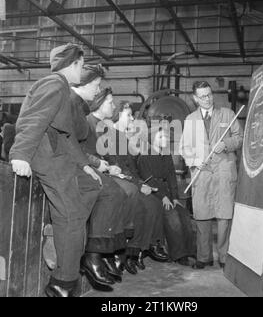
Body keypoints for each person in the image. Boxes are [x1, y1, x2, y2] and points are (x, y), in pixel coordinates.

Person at [10, 43, 110, 297]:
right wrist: (20, 154)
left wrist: (85, 165)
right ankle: (62, 282)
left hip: (60, 154)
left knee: (90, 188)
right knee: (71, 215)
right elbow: (32, 120)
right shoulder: (54, 84)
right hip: (47, 157)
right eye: (81, 63)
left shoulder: (61, 87)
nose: (82, 68)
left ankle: (66, 247)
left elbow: (66, 136)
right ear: (73, 64)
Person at [86, 90, 170, 273]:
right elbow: (115, 165)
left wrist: (141, 182)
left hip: (122, 177)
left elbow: (130, 168)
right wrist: (138, 184)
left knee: (152, 204)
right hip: (109, 177)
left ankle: (139, 250)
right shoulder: (105, 131)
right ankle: (125, 251)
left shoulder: (120, 137)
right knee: (141, 203)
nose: (132, 119)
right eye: (129, 115)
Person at [69, 64, 129, 284]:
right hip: (71, 167)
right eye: (96, 85)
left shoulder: (82, 110)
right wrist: (96, 164)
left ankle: (107, 252)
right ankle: (96, 254)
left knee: (121, 193)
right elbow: (74, 145)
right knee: (113, 192)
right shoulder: (79, 111)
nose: (97, 89)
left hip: (82, 164)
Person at [179, 81, 243, 269]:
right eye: (203, 96)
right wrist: (194, 161)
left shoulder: (228, 114)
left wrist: (227, 144)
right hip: (202, 173)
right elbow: (184, 148)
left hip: (224, 170)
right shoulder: (190, 119)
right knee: (202, 216)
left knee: (224, 217)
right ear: (195, 98)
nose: (207, 99)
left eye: (209, 94)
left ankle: (224, 257)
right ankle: (204, 256)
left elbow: (240, 138)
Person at [137, 126, 196, 265]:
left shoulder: (166, 155)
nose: (165, 139)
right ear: (152, 139)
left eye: (166, 137)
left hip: (168, 194)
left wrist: (175, 197)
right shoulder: (144, 156)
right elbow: (149, 180)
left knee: (184, 214)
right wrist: (163, 197)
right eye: (160, 137)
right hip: (153, 194)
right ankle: (179, 255)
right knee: (172, 216)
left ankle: (190, 251)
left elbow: (171, 178)